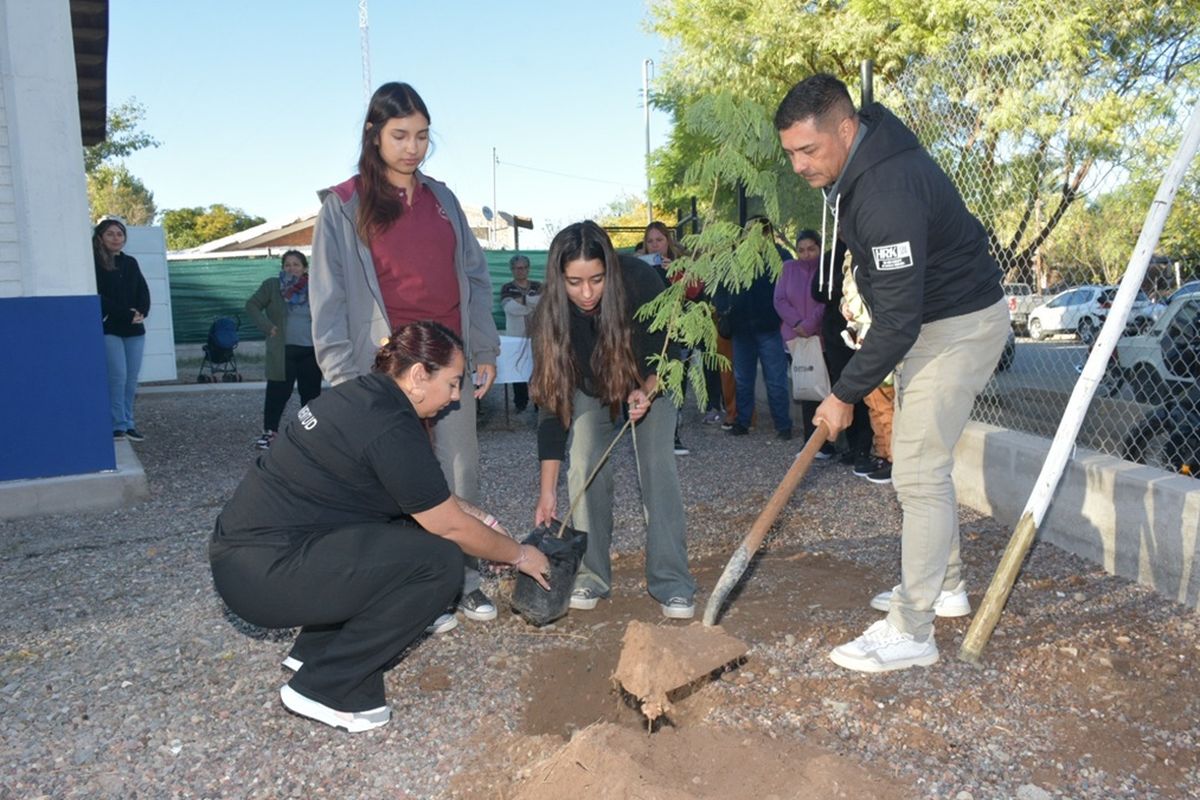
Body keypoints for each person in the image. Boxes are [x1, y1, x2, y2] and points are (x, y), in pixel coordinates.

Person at [210, 321, 551, 733]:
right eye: (453, 382)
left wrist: (478, 517)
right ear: (419, 374)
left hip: (251, 556)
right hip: (262, 575)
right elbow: (450, 528)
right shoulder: (390, 426)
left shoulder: (363, 398)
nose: (456, 396)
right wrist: (520, 554)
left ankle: (317, 650)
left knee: (406, 535)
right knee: (439, 562)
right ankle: (328, 686)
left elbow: (421, 495)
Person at [776, 73, 1009, 672]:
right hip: (930, 322)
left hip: (958, 325)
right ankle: (945, 584)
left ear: (846, 129)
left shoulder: (885, 190)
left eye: (809, 150)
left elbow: (900, 321)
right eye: (791, 153)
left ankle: (913, 628)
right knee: (919, 459)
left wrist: (843, 393)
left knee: (917, 471)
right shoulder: (862, 166)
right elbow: (898, 305)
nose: (800, 165)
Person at [309, 82, 501, 627]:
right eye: (399, 135)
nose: (412, 147)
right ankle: (415, 591)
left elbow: (475, 277)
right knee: (392, 484)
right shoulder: (344, 206)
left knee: (459, 472)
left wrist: (483, 347)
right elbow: (328, 300)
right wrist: (343, 376)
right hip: (384, 371)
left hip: (452, 364)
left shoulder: (442, 200)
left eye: (421, 136)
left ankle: (464, 582)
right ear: (373, 135)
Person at [529, 221, 697, 619]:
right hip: (595, 387)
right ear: (559, 279)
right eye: (574, 282)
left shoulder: (639, 277)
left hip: (651, 377)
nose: (586, 294)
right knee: (584, 462)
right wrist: (547, 492)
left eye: (596, 280)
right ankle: (590, 575)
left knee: (656, 464)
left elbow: (670, 349)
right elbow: (553, 408)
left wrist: (648, 389)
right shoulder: (550, 318)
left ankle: (672, 581)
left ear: (610, 270)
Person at [713, 216, 794, 441]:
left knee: (776, 380)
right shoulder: (735, 258)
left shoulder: (781, 256)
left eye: (757, 231)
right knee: (742, 379)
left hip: (770, 327)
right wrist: (725, 310)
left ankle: (783, 424)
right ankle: (743, 421)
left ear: (767, 233)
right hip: (741, 329)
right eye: (748, 231)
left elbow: (791, 287)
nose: (752, 235)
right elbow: (719, 289)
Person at [245, 250, 324, 449]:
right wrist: (267, 326)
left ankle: (311, 436)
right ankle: (269, 434)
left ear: (305, 268)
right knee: (277, 394)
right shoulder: (272, 286)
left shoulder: (315, 288)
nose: (291, 268)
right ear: (282, 268)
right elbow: (252, 305)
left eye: (296, 264)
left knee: (311, 396)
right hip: (282, 352)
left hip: (310, 351)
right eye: (287, 265)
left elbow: (329, 312)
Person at [641, 220, 703, 455]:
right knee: (649, 382)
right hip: (648, 335)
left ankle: (673, 435)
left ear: (668, 241)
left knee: (676, 384)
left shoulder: (680, 264)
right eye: (650, 241)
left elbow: (695, 291)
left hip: (678, 334)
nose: (655, 245)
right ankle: (651, 435)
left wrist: (675, 272)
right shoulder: (639, 266)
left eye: (659, 240)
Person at [93, 218, 151, 442]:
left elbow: (143, 291)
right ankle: (117, 425)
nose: (116, 238)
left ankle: (128, 423)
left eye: (119, 234)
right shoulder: (95, 264)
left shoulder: (131, 263)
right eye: (110, 234)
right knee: (118, 377)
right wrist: (126, 314)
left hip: (135, 330)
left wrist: (141, 312)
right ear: (100, 237)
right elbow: (100, 297)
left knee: (131, 380)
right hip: (111, 328)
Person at [840, 264, 894, 484]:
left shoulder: (871, 255)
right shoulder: (851, 258)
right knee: (874, 403)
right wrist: (844, 306)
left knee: (885, 403)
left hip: (881, 339)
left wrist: (855, 309)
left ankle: (893, 458)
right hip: (865, 339)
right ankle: (882, 452)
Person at [773, 229, 827, 443]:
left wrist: (810, 324)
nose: (806, 254)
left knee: (824, 389)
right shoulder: (788, 268)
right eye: (801, 250)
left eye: (811, 249)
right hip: (794, 340)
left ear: (820, 248)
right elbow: (779, 300)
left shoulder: (826, 269)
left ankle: (828, 442)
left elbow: (826, 301)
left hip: (821, 339)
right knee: (806, 391)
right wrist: (797, 323)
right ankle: (810, 440)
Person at [498, 254, 541, 412]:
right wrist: (531, 302)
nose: (520, 271)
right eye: (517, 268)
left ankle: (539, 403)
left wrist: (521, 300)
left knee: (538, 370)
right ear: (512, 270)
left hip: (538, 336)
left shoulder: (538, 286)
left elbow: (543, 303)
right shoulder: (506, 287)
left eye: (523, 268)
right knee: (518, 370)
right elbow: (510, 308)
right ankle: (520, 403)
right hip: (516, 337)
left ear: (528, 269)